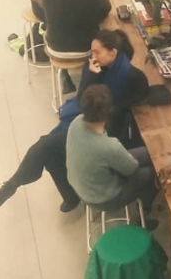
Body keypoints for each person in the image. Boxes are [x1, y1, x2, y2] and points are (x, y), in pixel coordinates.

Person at [0, 30, 149, 213]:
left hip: (104, 127)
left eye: (97, 51)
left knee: (47, 147)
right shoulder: (93, 66)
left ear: (113, 52)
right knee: (48, 149)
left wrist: (114, 109)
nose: (93, 55)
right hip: (83, 119)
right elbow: (82, 98)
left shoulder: (131, 75)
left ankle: (62, 195)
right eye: (92, 51)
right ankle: (15, 186)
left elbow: (141, 95)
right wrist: (91, 75)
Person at [66, 85, 159, 230]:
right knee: (152, 173)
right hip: (103, 198)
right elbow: (131, 169)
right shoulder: (108, 146)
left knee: (149, 154)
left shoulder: (76, 123)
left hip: (81, 185)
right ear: (109, 111)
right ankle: (142, 217)